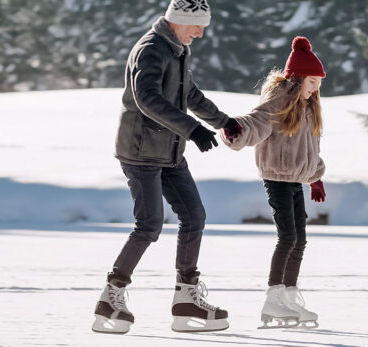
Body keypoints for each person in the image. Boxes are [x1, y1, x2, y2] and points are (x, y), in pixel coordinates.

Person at [93, 0, 242, 334]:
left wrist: (223, 122)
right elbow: (147, 99)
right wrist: (193, 129)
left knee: (194, 216)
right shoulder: (151, 50)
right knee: (149, 225)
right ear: (179, 20)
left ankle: (186, 297)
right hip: (140, 150)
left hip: (169, 150)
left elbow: (188, 93)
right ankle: (110, 296)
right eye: (197, 25)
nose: (201, 33)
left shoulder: (178, 49)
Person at [221, 36, 326, 329]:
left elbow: (311, 148)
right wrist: (235, 131)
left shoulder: (308, 107)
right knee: (288, 238)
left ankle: (289, 296)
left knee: (300, 239)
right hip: (276, 177)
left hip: (296, 180)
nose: (315, 88)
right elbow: (256, 122)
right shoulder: (279, 101)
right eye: (311, 81)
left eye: (318, 82)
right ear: (297, 79)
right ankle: (274, 297)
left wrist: (316, 177)